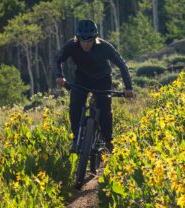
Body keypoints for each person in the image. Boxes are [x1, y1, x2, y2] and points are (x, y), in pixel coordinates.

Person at [55, 19, 134, 153]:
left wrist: (128, 87)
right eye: (83, 41)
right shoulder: (71, 46)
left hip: (102, 79)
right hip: (82, 78)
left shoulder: (104, 47)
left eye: (90, 41)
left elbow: (121, 64)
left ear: (95, 39)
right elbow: (57, 59)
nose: (86, 44)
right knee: (75, 106)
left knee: (105, 110)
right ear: (77, 38)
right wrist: (59, 76)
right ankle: (76, 139)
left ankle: (108, 141)